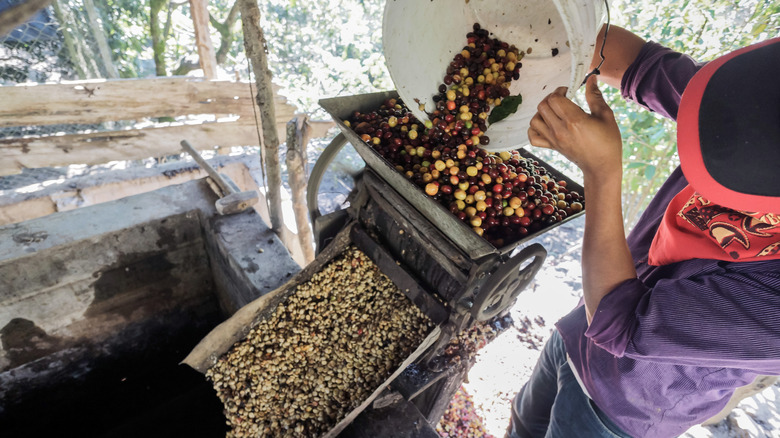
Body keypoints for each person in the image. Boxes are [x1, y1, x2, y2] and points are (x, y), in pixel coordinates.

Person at [505, 23, 780, 438]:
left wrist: (601, 169)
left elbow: (621, 321)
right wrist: (555, 35)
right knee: (523, 424)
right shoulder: (757, 102)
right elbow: (645, 66)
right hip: (577, 333)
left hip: (625, 406)